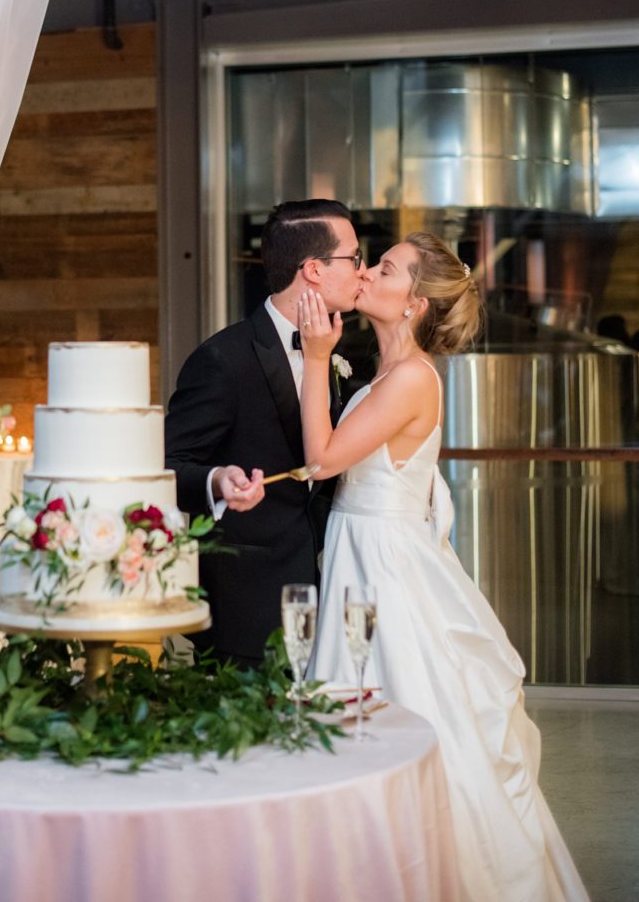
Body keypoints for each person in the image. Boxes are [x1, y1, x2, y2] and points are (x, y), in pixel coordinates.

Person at [297, 232, 589, 902]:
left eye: (386, 268)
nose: (367, 272)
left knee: (399, 706)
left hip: (384, 569)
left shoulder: (408, 379)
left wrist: (316, 358)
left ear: (415, 304)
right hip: (364, 549)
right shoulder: (389, 373)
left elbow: (323, 459)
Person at [165, 199, 365, 667]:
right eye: (353, 258)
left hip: (327, 586)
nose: (363, 270)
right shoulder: (223, 359)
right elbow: (165, 466)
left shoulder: (333, 348)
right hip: (248, 599)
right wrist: (216, 480)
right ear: (313, 269)